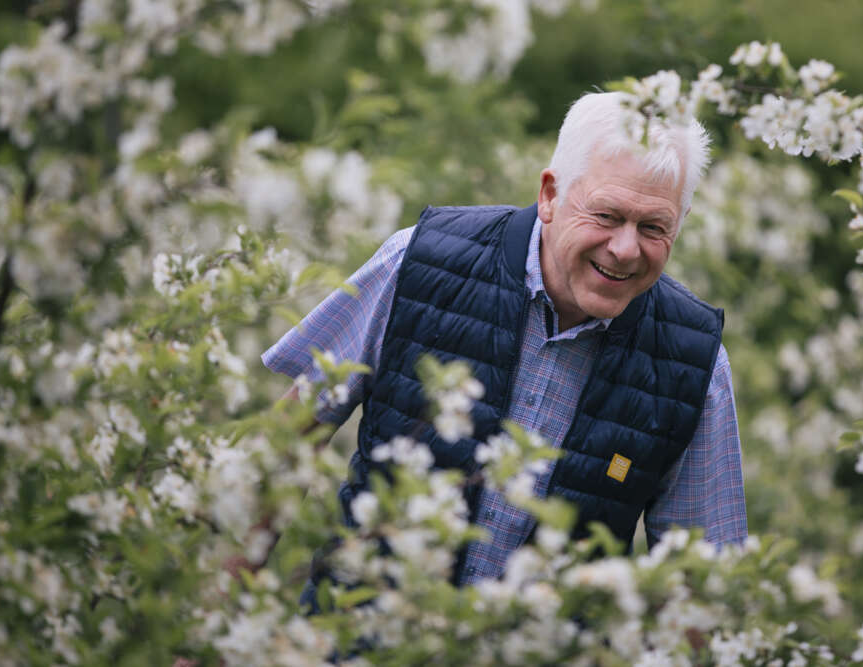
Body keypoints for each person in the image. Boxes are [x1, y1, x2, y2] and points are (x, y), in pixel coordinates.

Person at [262, 92, 747, 595]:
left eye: (653, 228)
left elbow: (699, 586)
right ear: (550, 195)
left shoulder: (695, 362)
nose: (625, 249)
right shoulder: (420, 263)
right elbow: (287, 441)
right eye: (606, 216)